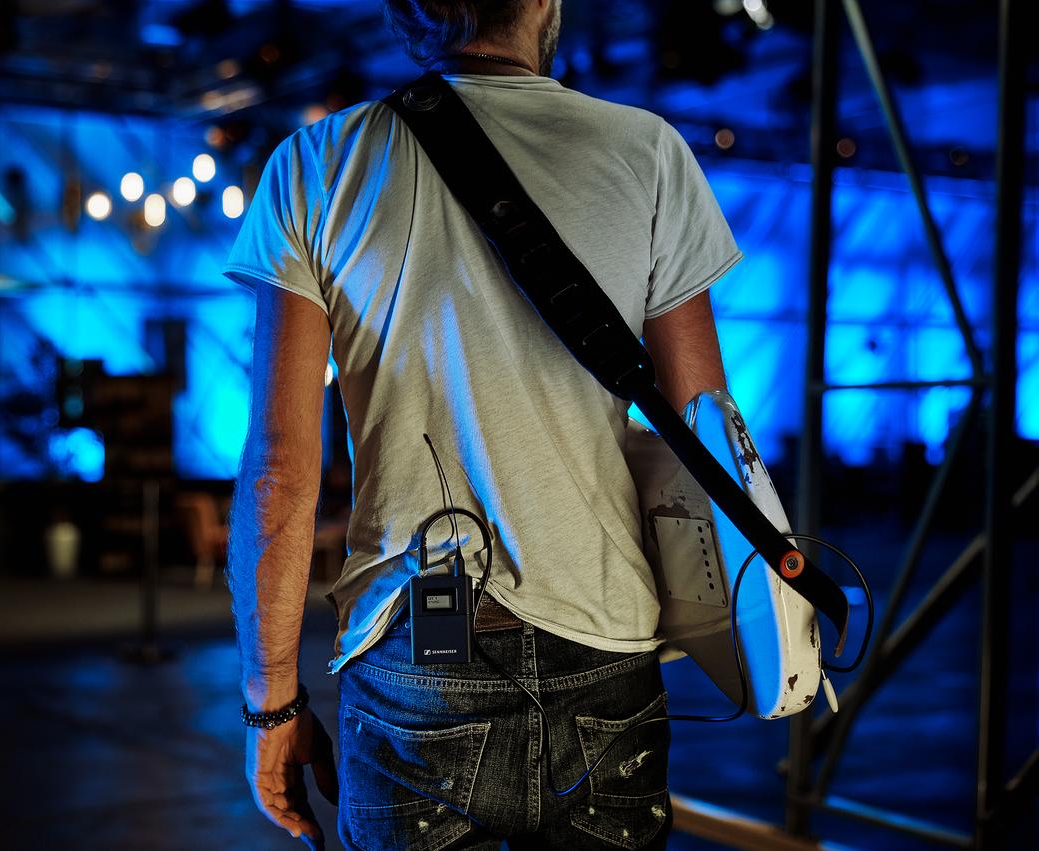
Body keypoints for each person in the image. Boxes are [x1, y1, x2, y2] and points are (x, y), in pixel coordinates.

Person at [223, 0, 739, 847]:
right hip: (606, 645)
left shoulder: (316, 165)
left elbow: (280, 465)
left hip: (415, 660)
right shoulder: (648, 153)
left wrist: (271, 701)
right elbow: (708, 437)